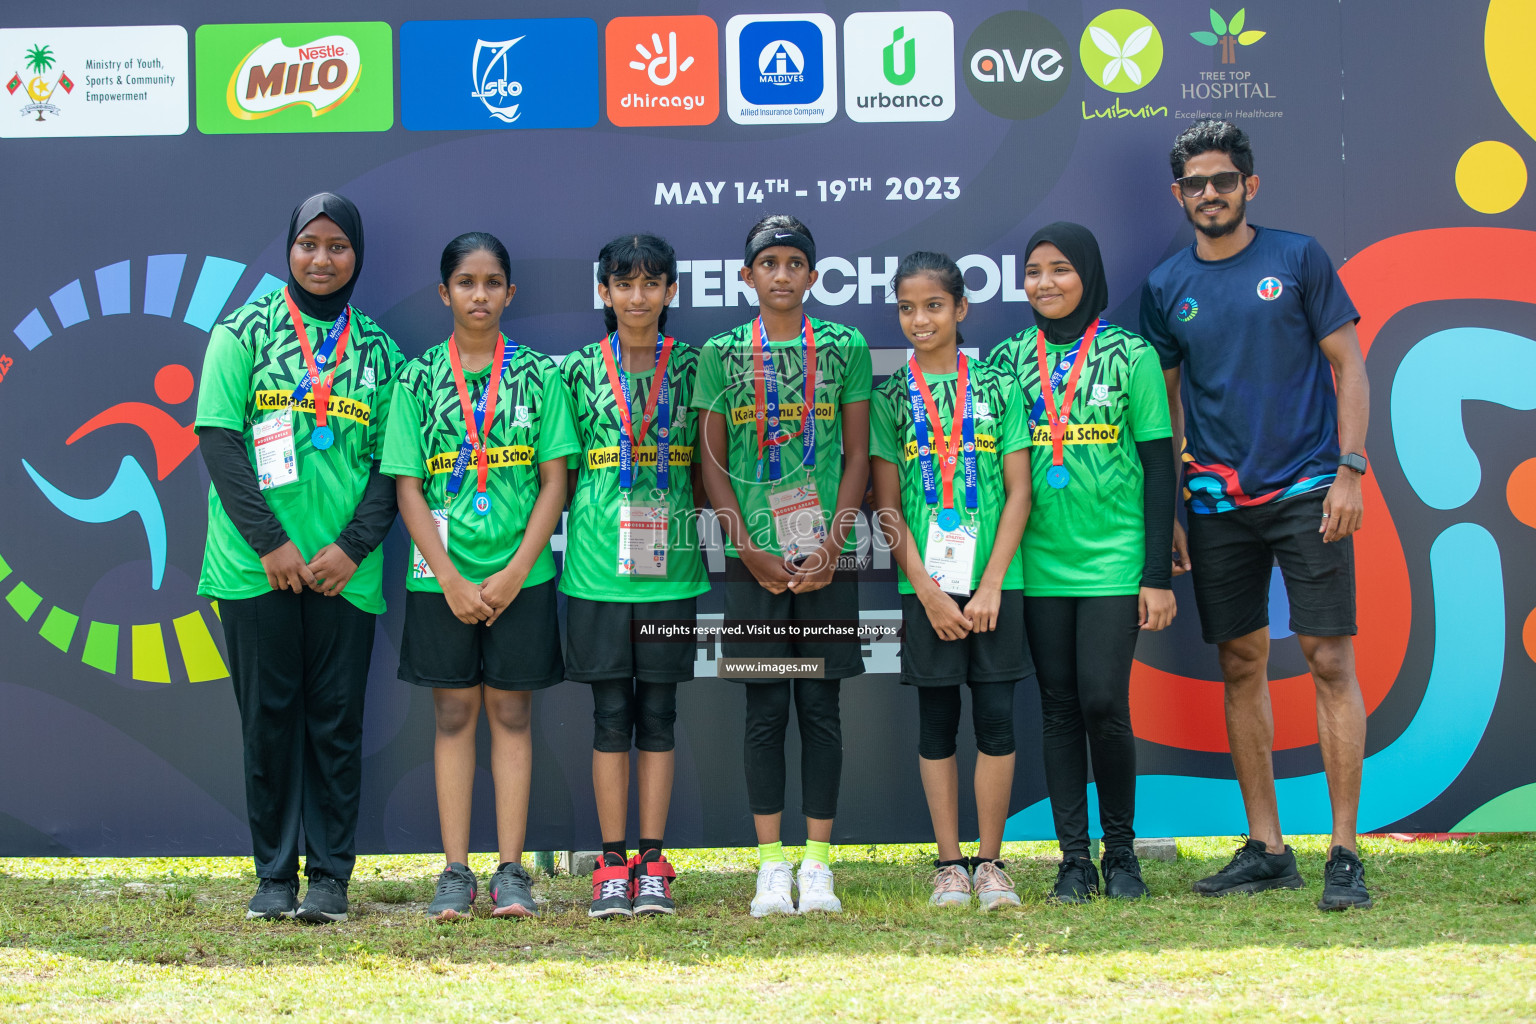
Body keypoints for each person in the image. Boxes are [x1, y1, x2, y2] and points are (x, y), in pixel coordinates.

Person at [1140, 120, 1372, 910]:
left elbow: (1350, 367)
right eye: (1195, 185)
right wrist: (1169, 509)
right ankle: (1268, 846)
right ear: (1179, 196)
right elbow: (1166, 412)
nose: (1210, 194)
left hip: (1310, 491)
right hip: (1213, 504)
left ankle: (1344, 851)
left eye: (1223, 181)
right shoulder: (1167, 285)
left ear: (1250, 186)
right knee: (1240, 663)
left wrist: (1350, 471)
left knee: (1328, 660)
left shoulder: (1298, 257)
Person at [196, 192, 404, 923]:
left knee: (335, 723)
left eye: (338, 246)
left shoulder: (379, 350)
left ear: (357, 256)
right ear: (288, 249)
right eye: (309, 244)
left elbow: (393, 466)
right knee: (270, 720)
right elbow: (219, 443)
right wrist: (273, 545)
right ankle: (275, 877)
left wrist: (350, 549)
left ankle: (330, 880)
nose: (322, 259)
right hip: (255, 569)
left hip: (346, 574)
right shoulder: (241, 331)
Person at [381, 232, 579, 920]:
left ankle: (512, 871)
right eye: (466, 282)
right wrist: (454, 579)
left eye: (493, 282)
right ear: (444, 293)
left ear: (510, 294)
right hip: (441, 582)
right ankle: (455, 871)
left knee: (513, 713)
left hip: (521, 578)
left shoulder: (538, 376)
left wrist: (519, 570)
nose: (480, 294)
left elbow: (556, 479)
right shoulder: (417, 377)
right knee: (454, 713)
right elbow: (406, 487)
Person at [989, 223, 1177, 902]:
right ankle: (1074, 860)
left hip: (1114, 560)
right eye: (1034, 271)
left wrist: (1155, 573)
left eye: (1061, 269)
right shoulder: (1006, 359)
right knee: (1060, 707)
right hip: (1035, 563)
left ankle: (1121, 854)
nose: (1045, 283)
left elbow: (1160, 468)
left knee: (1103, 700)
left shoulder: (1132, 355)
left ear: (1088, 275)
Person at [693, 214, 872, 917]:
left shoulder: (843, 344)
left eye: (795, 262)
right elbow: (711, 463)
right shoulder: (723, 352)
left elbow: (857, 455)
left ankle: (818, 865)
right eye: (768, 262)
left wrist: (834, 542)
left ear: (812, 276)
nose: (781, 274)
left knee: (821, 709)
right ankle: (771, 867)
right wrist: (747, 549)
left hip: (826, 555)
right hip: (754, 560)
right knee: (766, 711)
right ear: (747, 277)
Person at [870, 252, 1032, 911]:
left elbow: (1020, 493)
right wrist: (927, 590)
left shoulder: (997, 386)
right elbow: (885, 508)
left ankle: (990, 863)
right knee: (937, 723)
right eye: (907, 308)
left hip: (999, 584)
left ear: (961, 309)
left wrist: (991, 583)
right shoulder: (889, 396)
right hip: (925, 589)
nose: (920, 319)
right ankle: (948, 864)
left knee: (996, 720)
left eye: (933, 305)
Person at [560, 234, 708, 918]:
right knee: (608, 716)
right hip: (594, 573)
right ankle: (611, 863)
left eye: (653, 284)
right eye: (625, 284)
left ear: (672, 292)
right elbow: (554, 476)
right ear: (605, 292)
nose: (638, 297)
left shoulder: (695, 367)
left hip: (672, 573)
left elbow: (712, 471)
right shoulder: (577, 372)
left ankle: (653, 860)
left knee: (660, 715)